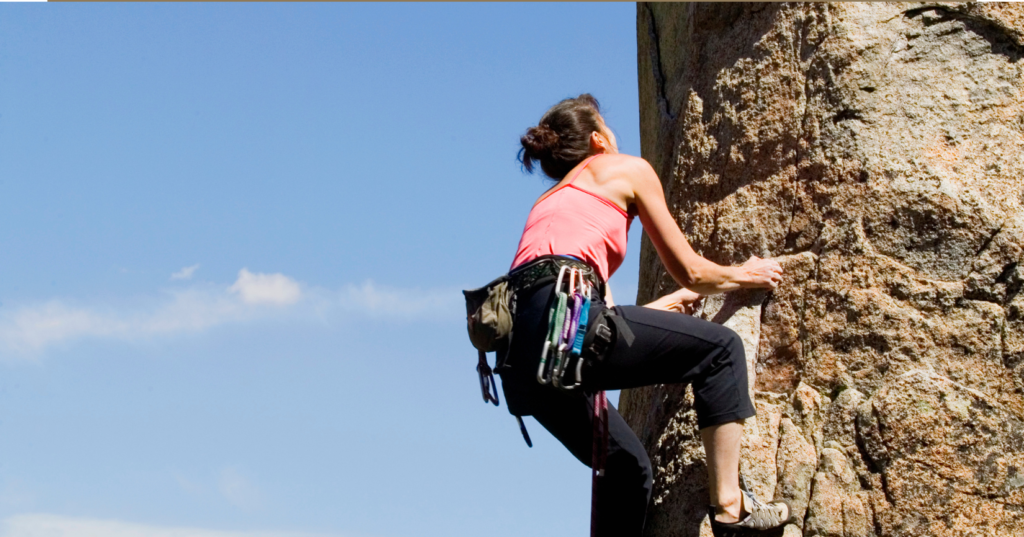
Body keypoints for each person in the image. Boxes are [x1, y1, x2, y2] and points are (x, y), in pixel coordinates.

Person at [497, 94, 790, 536]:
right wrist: (741, 274)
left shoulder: (548, 204)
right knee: (721, 351)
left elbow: (596, 319)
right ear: (599, 138)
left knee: (626, 468)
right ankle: (732, 510)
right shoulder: (624, 168)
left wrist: (669, 305)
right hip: (569, 325)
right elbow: (690, 268)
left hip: (522, 356)